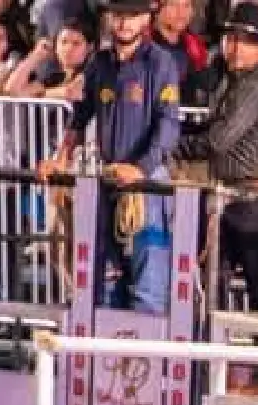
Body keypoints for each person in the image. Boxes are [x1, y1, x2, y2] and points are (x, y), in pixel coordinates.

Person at [37, 0, 182, 316]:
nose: (124, 23)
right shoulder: (99, 63)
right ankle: (108, 359)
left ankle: (148, 358)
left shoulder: (161, 63)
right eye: (119, 15)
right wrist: (61, 159)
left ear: (145, 18)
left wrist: (140, 168)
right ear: (108, 18)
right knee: (106, 277)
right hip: (111, 176)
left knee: (150, 278)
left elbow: (168, 124)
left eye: (132, 15)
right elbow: (80, 117)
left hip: (148, 184)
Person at [175, 3, 258, 314]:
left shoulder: (254, 86)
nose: (237, 48)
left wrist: (174, 144)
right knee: (216, 274)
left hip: (256, 201)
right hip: (239, 199)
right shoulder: (232, 80)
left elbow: (218, 140)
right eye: (233, 38)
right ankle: (224, 347)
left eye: (248, 41)